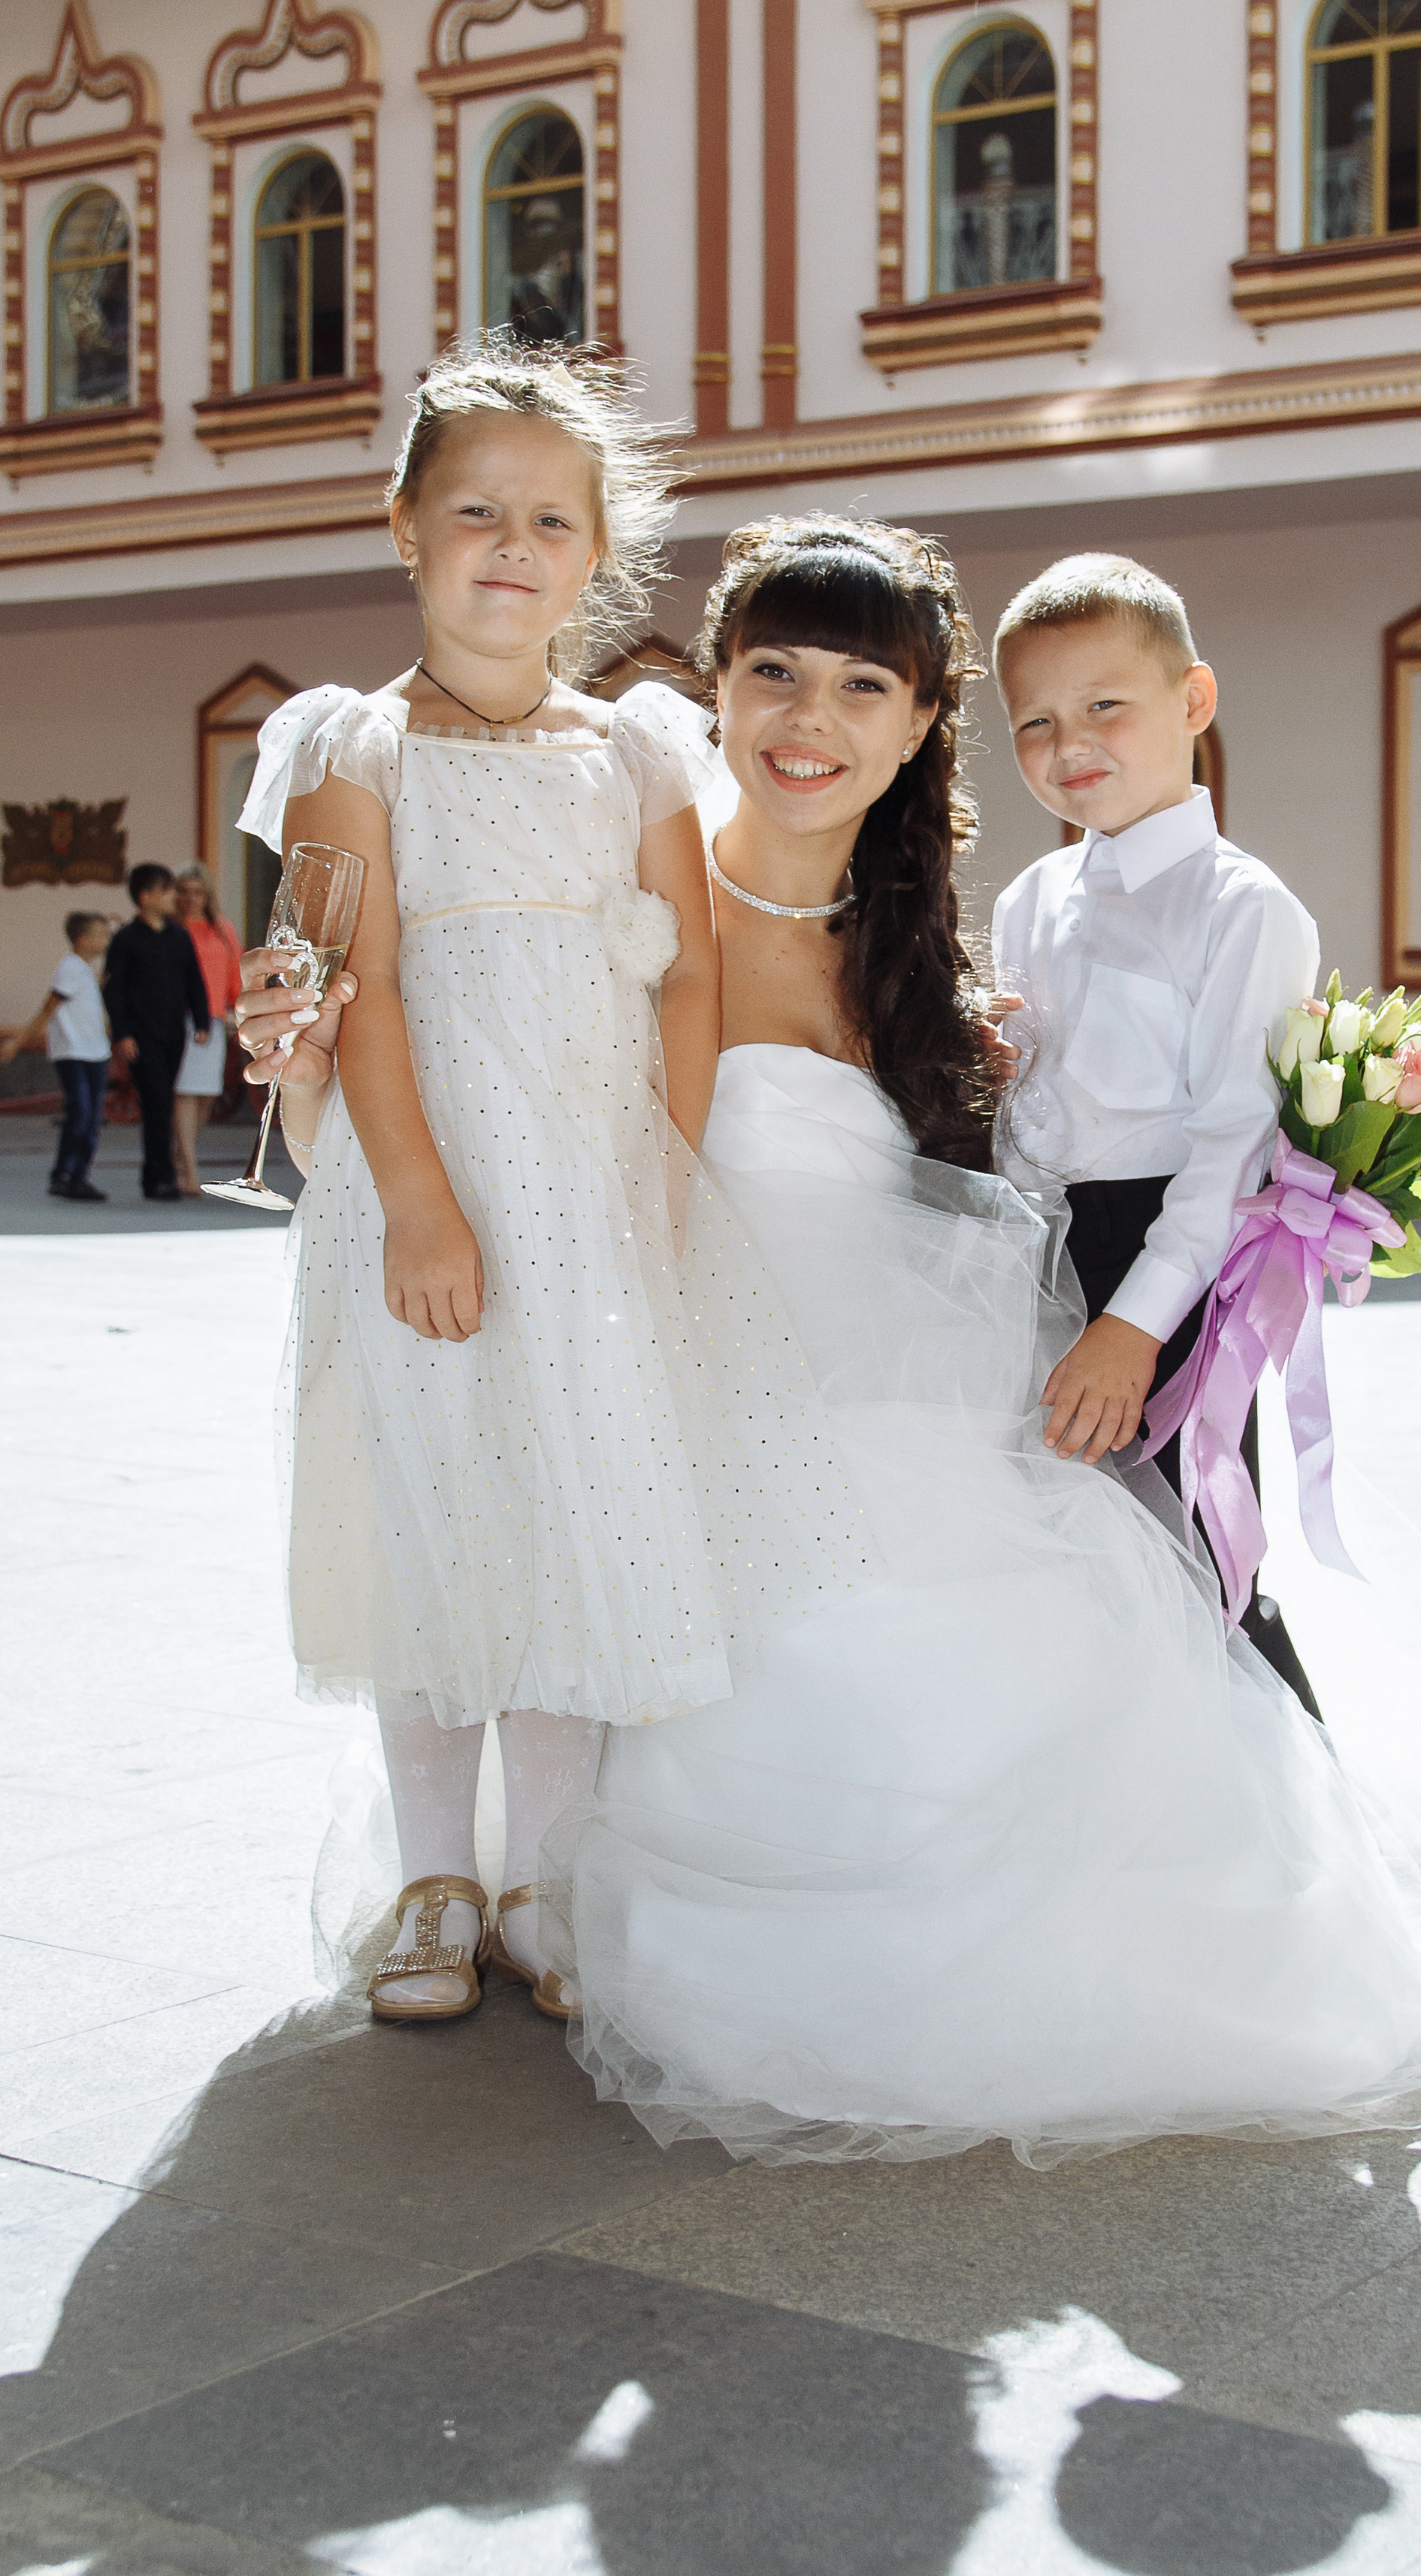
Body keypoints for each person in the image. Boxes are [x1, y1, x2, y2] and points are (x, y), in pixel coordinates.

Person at [246, 516, 1421, 2167]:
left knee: (1012, 1648)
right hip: (664, 1361)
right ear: (714, 688)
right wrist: (301, 1052)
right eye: (769, 673)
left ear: (918, 728)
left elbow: (1067, 1163)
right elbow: (481, 1084)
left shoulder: (943, 953)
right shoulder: (625, 892)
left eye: (860, 687)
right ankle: (498, 1879)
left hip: (908, 1357)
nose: (806, 720)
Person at [236, 337, 863, 2031]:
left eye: (548, 521)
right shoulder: (353, 746)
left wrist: (661, 1180)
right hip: (421, 1184)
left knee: (582, 1499)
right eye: (474, 514)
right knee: (433, 1498)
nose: (510, 549)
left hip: (591, 1187)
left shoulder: (642, 752)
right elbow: (349, 986)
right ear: (403, 526)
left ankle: (548, 1880)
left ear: (595, 551)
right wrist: (422, 1200)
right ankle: (434, 1876)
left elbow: (680, 976)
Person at [990, 554, 1323, 1714]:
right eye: (1034, 720)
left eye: (1103, 706)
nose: (1069, 742)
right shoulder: (1026, 901)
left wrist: (1134, 1327)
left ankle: (1281, 1806)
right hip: (1043, 1249)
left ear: (1193, 700)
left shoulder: (1245, 908)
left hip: (1167, 1262)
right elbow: (1031, 1109)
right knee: (1068, 1540)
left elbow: (1234, 1149)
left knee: (1197, 1541)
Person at [104, 863, 211, 1203]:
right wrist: (123, 1034)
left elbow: (194, 979)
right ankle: (159, 1178)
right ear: (145, 897)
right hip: (141, 1035)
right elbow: (114, 990)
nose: (172, 898)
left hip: (173, 1032)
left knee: (163, 1100)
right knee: (156, 1103)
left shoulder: (179, 936)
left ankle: (160, 1176)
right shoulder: (125, 939)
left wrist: (203, 1020)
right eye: (166, 891)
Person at [0, 908, 112, 1202]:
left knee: (90, 1116)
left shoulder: (85, 970)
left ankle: (76, 1175)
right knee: (81, 1112)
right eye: (101, 935)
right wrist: (18, 1042)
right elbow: (49, 1008)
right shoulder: (70, 968)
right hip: (74, 1052)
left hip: (95, 1051)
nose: (105, 940)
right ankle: (66, 1173)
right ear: (83, 938)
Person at [171, 862, 243, 1198]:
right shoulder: (171, 928)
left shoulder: (222, 929)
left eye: (197, 892)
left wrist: (237, 1009)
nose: (190, 898)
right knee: (185, 1092)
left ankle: (179, 1155)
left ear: (207, 894)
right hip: (179, 1017)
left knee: (206, 1097)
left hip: (214, 1018)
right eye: (184, 891)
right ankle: (189, 1167)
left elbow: (234, 972)